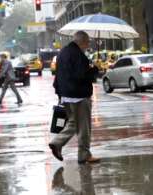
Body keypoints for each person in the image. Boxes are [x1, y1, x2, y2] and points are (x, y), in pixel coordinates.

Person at [49, 31, 100, 164]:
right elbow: (81, 76)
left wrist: (60, 94)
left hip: (66, 95)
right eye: (88, 42)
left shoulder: (62, 53)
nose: (88, 45)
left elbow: (58, 76)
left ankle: (57, 143)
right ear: (82, 41)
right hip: (79, 96)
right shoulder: (79, 55)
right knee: (84, 127)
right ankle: (83, 155)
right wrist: (95, 69)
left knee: (73, 123)